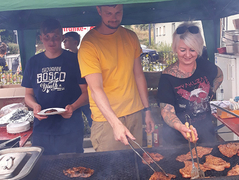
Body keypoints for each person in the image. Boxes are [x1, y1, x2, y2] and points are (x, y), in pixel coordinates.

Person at [78, 4, 155, 152]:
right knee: (110, 171)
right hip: (106, 120)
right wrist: (115, 123)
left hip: (134, 113)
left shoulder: (131, 36)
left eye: (118, 12)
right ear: (99, 10)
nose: (114, 18)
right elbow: (96, 89)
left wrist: (147, 111)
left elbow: (139, 75)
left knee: (135, 167)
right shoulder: (89, 44)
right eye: (108, 13)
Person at [21, 18, 88, 155]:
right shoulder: (33, 62)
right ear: (41, 38)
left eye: (55, 37)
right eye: (47, 37)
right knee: (43, 170)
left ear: (62, 37)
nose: (51, 42)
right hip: (42, 130)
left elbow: (87, 93)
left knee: (74, 168)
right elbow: (28, 95)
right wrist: (35, 106)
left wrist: (73, 107)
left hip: (71, 129)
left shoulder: (75, 60)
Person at [157, 22, 223, 146]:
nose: (187, 55)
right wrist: (181, 127)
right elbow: (167, 111)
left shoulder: (205, 66)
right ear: (175, 48)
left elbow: (220, 75)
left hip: (206, 135)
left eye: (192, 50)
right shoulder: (168, 76)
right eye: (183, 50)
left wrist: (211, 92)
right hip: (177, 140)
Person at [63, 31, 93, 127]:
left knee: (90, 116)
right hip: (71, 94)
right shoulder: (64, 58)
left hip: (84, 93)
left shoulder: (83, 56)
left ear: (75, 42)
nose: (64, 42)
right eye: (63, 40)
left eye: (66, 40)